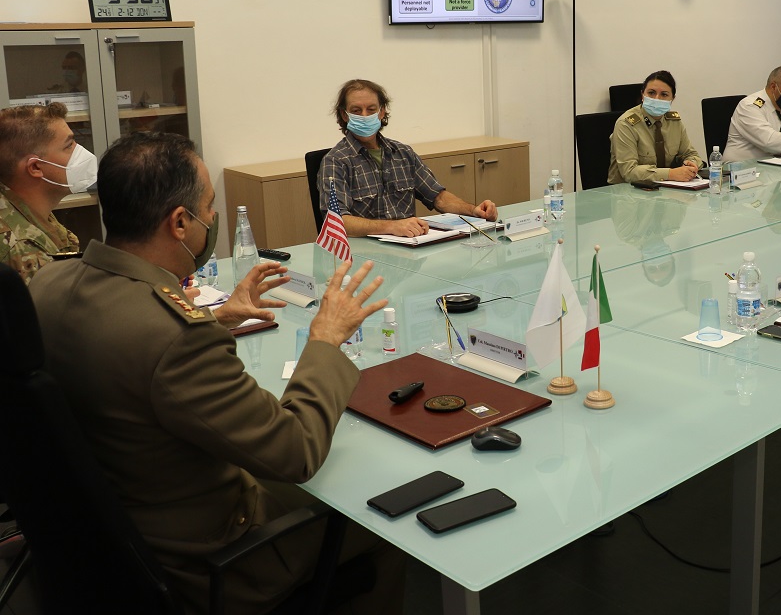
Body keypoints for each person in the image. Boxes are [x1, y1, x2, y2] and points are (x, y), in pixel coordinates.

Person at [29, 131, 405, 613]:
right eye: (208, 207)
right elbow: (296, 452)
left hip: (101, 538)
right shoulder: (176, 337)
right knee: (384, 520)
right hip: (206, 562)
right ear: (179, 223)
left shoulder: (48, 283)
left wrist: (215, 317)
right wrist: (325, 340)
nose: (213, 217)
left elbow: (131, 344)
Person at [319, 79, 498, 238]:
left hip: (409, 246)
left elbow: (438, 197)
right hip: (364, 254)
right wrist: (392, 227)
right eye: (356, 110)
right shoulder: (335, 161)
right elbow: (337, 221)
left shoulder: (402, 153)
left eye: (371, 109)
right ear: (345, 115)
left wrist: (473, 210)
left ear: (382, 112)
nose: (364, 116)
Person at [0, 103, 86, 282]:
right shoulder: (21, 248)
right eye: (69, 145)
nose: (80, 152)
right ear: (35, 167)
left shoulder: (29, 212)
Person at [607, 70, 705, 184]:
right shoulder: (626, 124)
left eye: (664, 94)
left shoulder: (674, 122)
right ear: (643, 95)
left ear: (672, 99)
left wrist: (690, 165)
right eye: (651, 93)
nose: (657, 98)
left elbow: (691, 154)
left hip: (662, 188)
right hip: (626, 190)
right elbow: (629, 172)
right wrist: (671, 174)